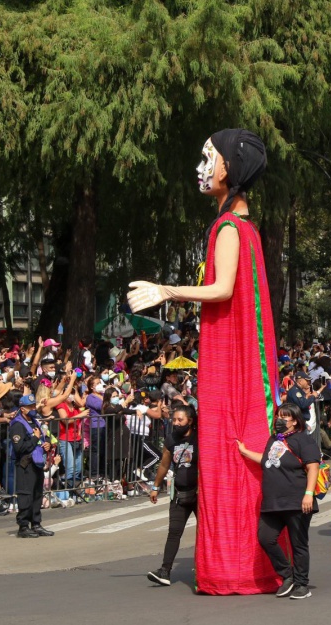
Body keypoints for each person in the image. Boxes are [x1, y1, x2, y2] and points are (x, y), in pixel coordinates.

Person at [127, 129, 281, 595]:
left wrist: (166, 291)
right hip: (230, 352)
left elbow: (222, 290)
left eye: (206, 158)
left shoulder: (230, 228)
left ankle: (235, 565)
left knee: (228, 449)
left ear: (228, 169)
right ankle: (243, 561)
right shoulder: (239, 227)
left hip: (231, 362)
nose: (199, 168)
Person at [237, 403, 321, 600]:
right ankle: (287, 575)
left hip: (297, 501)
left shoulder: (304, 440)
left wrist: (309, 493)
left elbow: (313, 467)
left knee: (298, 544)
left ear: (295, 420)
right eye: (278, 416)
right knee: (265, 538)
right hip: (272, 502)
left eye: (285, 417)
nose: (279, 420)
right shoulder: (273, 439)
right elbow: (267, 460)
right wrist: (244, 451)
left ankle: (302, 584)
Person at [147, 404, 199, 587]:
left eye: (180, 420)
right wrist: (155, 486)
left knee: (205, 532)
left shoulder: (201, 438)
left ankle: (203, 569)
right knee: (174, 533)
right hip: (179, 494)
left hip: (200, 494)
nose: (176, 423)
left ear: (190, 421)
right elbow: (163, 464)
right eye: (174, 420)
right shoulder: (171, 440)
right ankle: (165, 571)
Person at [8, 394, 53, 538]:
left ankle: (36, 524)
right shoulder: (18, 425)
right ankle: (23, 526)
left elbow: (41, 439)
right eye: (30, 407)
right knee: (26, 495)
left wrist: (47, 445)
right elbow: (19, 448)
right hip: (25, 464)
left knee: (37, 494)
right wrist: (34, 438)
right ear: (23, 409)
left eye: (34, 406)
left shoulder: (35, 422)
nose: (33, 409)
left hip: (37, 462)